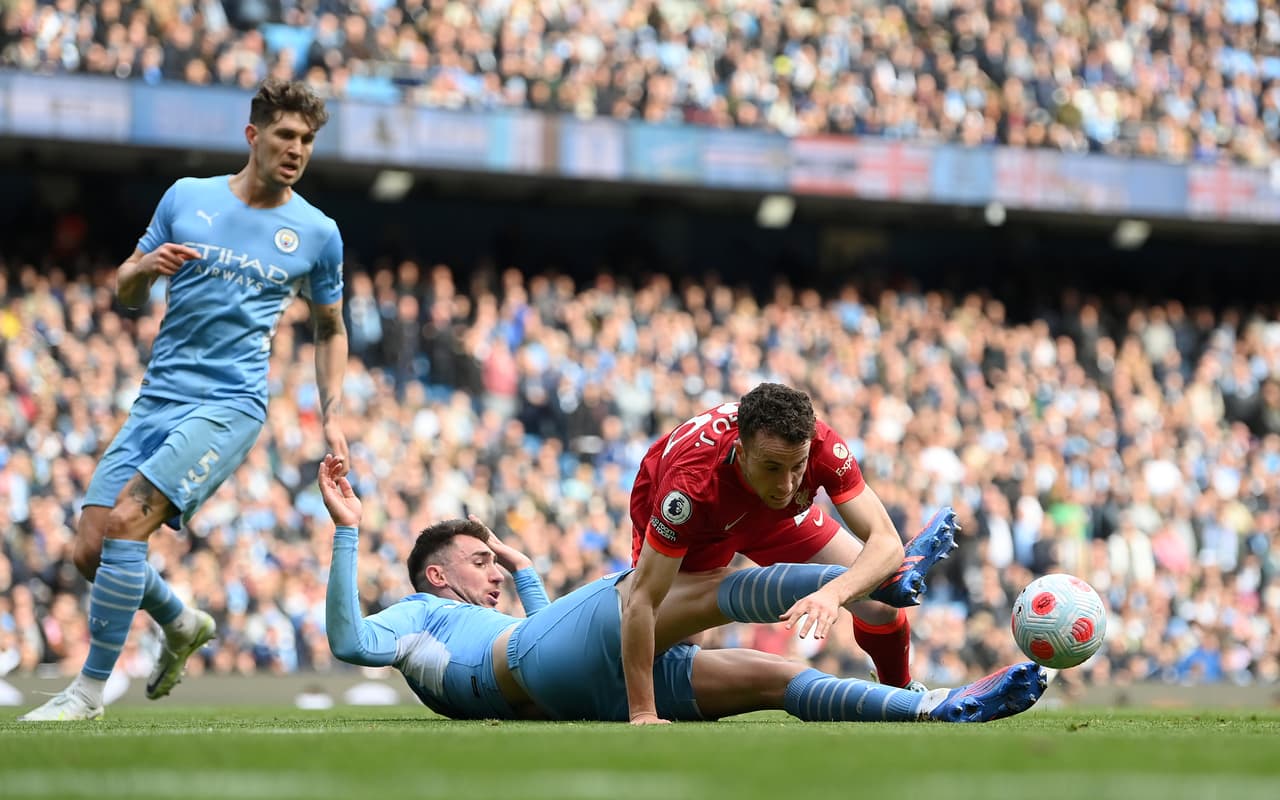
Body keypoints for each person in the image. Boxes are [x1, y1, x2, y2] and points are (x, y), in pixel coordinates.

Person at [20, 79, 349, 721]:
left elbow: (330, 328)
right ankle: (180, 620)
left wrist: (332, 416)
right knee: (90, 549)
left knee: (124, 527)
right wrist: (142, 271)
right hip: (157, 399)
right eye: (285, 136)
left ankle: (86, 694)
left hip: (231, 405)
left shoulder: (317, 232)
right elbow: (126, 291)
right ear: (253, 136)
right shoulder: (186, 197)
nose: (296, 150)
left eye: (307, 140)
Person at [320, 453, 1046, 724]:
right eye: (481, 561)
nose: (495, 569)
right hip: (553, 670)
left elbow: (548, 641)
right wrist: (347, 530)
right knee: (713, 586)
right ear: (437, 574)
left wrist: (529, 571)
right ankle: (877, 577)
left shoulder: (484, 634)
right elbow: (350, 642)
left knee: (777, 677)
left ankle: (932, 707)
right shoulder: (418, 613)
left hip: (571, 687)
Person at [624, 383, 958, 725]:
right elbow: (643, 600)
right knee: (678, 652)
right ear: (741, 453)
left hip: (773, 518)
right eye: (772, 467)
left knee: (880, 600)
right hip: (700, 530)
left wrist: (834, 593)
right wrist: (644, 714)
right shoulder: (689, 486)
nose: (787, 484)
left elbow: (886, 543)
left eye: (797, 466)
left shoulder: (822, 447)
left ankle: (900, 693)